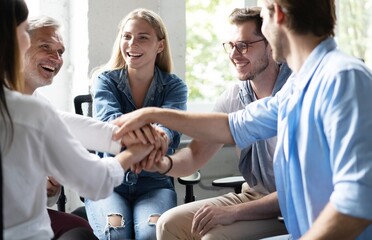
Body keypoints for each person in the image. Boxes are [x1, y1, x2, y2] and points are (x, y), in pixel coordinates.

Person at [112, 0, 372, 239]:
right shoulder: (299, 85)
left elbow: (357, 202)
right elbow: (231, 125)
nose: (235, 53)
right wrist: (151, 115)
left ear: (276, 14)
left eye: (245, 44)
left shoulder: (342, 78)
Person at [0, 1, 155, 239]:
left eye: (60, 52)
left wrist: (125, 137)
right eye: (23, 34)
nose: (56, 58)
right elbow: (95, 181)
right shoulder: (30, 112)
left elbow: (68, 125)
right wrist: (135, 150)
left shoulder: (36, 108)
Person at [150, 7, 291, 240]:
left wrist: (233, 212)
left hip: (290, 207)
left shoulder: (294, 94)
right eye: (230, 45)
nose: (234, 54)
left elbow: (298, 192)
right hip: (254, 195)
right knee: (168, 224)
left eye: (244, 45)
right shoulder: (233, 97)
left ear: (270, 44)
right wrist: (160, 162)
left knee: (213, 237)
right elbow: (193, 157)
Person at [85, 8, 188, 240]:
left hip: (155, 184)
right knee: (117, 233)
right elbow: (110, 128)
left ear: (159, 45)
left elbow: (168, 131)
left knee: (152, 234)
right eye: (127, 36)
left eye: (143, 37)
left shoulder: (174, 87)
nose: (132, 43)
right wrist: (153, 135)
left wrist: (151, 135)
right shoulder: (104, 80)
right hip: (108, 182)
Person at [22, 15, 112, 240]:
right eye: (45, 47)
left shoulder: (41, 105)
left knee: (86, 220)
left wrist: (49, 189)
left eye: (60, 52)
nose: (56, 58)